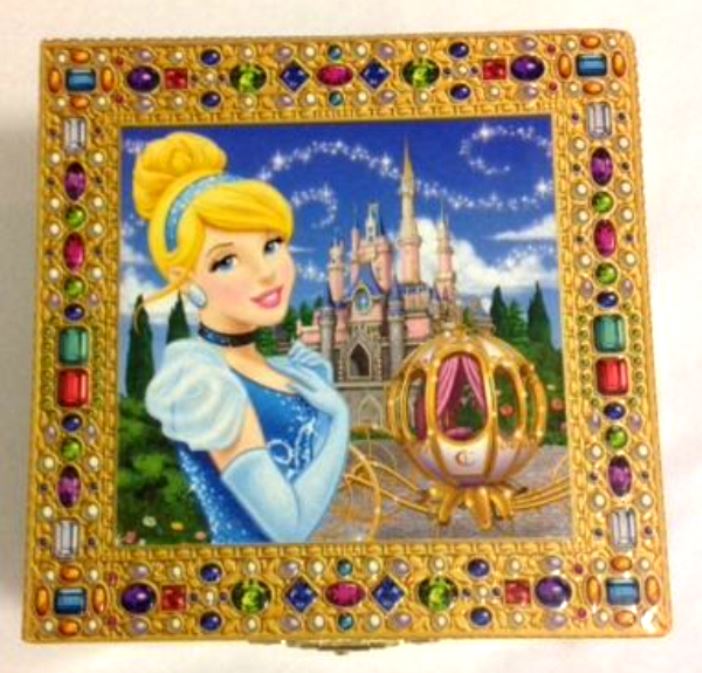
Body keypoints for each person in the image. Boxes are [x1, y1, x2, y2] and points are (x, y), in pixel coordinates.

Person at [131, 131, 350, 544]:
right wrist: (338, 420)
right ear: (186, 281)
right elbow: (289, 527)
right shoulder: (205, 383)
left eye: (271, 245)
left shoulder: (283, 369)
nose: (266, 271)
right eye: (227, 261)